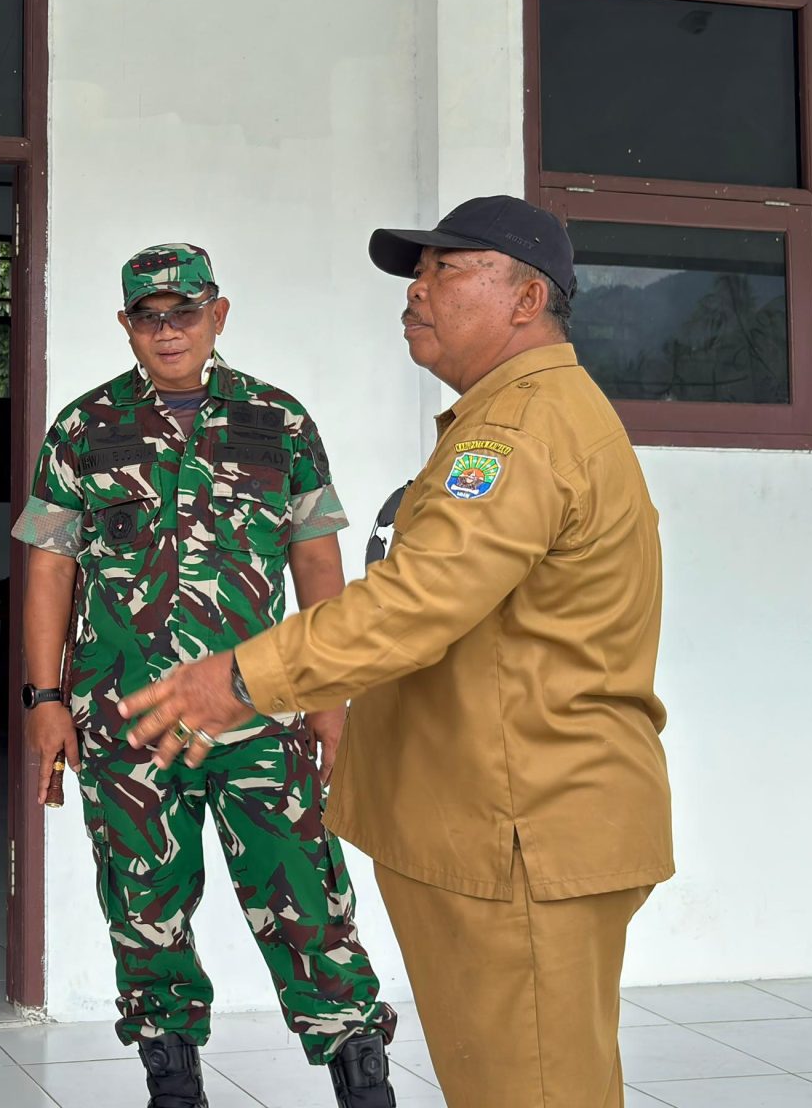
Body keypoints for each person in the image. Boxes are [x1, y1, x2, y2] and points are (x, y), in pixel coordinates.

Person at [121, 198, 672, 1108]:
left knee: (532, 1090)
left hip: (519, 829)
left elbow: (416, 603)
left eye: (446, 270)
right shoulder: (519, 418)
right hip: (503, 821)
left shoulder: (517, 434)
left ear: (527, 298)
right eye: (418, 273)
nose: (417, 291)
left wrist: (242, 678)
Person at [16, 243, 398, 1108]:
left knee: (309, 900)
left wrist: (332, 698)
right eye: (148, 317)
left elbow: (317, 565)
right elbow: (49, 571)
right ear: (126, 326)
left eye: (184, 313)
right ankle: (174, 1087)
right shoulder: (84, 429)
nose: (167, 331)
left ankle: (362, 1080)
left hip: (263, 716)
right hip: (127, 719)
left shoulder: (280, 422)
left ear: (217, 316)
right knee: (143, 907)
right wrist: (45, 699)